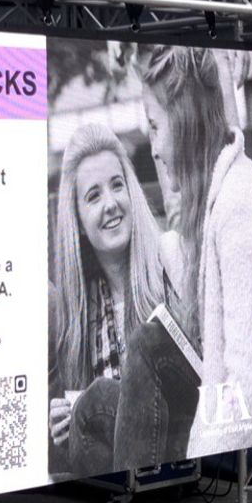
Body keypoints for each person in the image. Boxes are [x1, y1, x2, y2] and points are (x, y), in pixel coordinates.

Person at [134, 45, 252, 458]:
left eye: (155, 127)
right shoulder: (209, 203)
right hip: (211, 410)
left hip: (225, 428)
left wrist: (197, 452)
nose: (152, 148)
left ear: (184, 121)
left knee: (146, 346)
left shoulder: (236, 202)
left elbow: (245, 394)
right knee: (95, 405)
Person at [45, 124, 171, 477]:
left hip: (171, 458)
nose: (111, 204)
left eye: (117, 185)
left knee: (100, 397)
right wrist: (65, 424)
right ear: (79, 223)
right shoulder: (74, 322)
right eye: (94, 195)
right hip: (107, 475)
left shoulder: (169, 269)